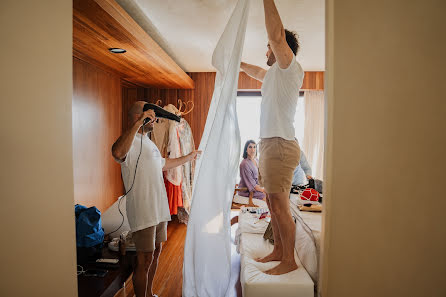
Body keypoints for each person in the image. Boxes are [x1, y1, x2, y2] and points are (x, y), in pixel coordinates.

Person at [240, 0, 304, 275]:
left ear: (282, 50)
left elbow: (277, 36)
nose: (266, 50)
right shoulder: (273, 76)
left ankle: (288, 260)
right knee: (271, 203)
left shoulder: (290, 68)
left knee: (280, 206)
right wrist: (236, 63)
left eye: (268, 47)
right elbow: (255, 71)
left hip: (279, 144)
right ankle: (278, 250)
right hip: (270, 144)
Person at [111, 101, 200, 297]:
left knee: (156, 252)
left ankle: (149, 294)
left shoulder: (149, 142)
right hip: (143, 210)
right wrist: (138, 123)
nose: (155, 119)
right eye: (151, 115)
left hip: (158, 208)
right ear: (139, 116)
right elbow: (117, 153)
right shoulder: (129, 141)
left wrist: (189, 157)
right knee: (144, 258)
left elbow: (163, 163)